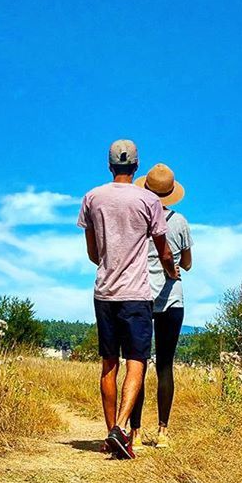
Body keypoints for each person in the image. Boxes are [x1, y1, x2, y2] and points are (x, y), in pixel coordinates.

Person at [77, 140, 179, 460]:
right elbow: (162, 249)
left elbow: (93, 252)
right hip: (136, 294)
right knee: (137, 361)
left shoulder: (92, 198)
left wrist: (109, 261)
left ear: (110, 166)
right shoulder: (148, 200)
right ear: (136, 167)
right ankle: (122, 427)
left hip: (104, 292)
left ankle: (112, 435)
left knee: (109, 364)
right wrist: (172, 271)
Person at [129, 163, 193, 450]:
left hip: (139, 295)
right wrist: (175, 266)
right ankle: (163, 432)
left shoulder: (138, 218)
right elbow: (187, 264)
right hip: (171, 299)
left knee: (137, 364)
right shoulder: (179, 222)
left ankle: (136, 432)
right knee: (165, 365)